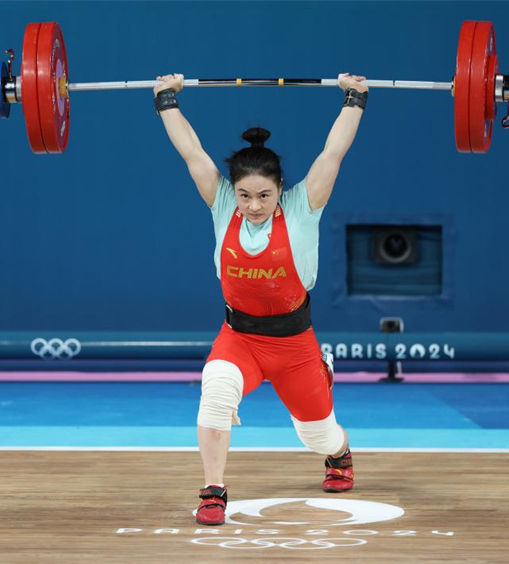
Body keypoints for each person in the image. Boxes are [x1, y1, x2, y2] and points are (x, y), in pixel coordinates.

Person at [154, 73, 368, 526]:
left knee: (318, 436)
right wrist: (166, 100)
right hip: (240, 338)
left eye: (264, 195)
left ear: (281, 188)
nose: (253, 205)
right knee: (214, 394)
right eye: (245, 195)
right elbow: (191, 151)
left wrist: (355, 99)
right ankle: (214, 491)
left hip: (294, 345)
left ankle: (339, 453)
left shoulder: (303, 205)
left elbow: (333, 153)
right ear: (233, 191)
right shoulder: (220, 204)